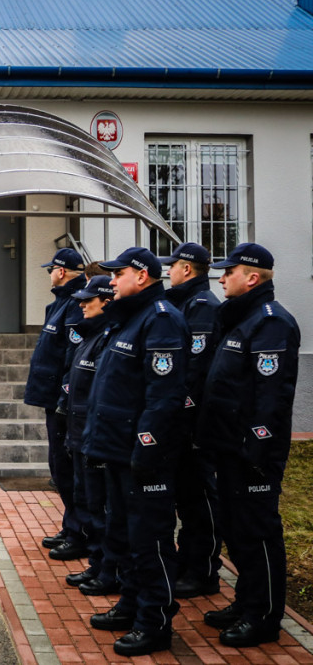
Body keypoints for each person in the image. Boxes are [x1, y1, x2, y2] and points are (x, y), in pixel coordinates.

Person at [81, 247, 189, 657]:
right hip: (116, 450)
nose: (111, 281)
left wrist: (147, 449)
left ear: (142, 276)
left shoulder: (160, 319)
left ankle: (154, 621)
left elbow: (163, 397)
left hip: (142, 457)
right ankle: (130, 603)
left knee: (150, 540)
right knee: (123, 535)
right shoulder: (128, 319)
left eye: (118, 273)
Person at [197, 243, 300, 648]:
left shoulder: (270, 323)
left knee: (257, 533)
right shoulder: (241, 319)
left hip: (252, 454)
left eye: (229, 271)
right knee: (236, 533)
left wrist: (257, 452)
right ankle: (246, 601)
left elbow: (270, 399)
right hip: (228, 448)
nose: (221, 278)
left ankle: (264, 616)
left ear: (252, 277)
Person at [159, 243, 223, 599]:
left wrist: (184, 417)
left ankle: (203, 572)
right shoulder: (182, 303)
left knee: (199, 500)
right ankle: (188, 564)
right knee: (186, 497)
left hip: (195, 423)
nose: (169, 271)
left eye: (174, 266)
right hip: (180, 423)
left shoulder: (202, 308)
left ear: (187, 269)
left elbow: (195, 371)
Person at [25, 248, 87, 560]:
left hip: (64, 403)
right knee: (58, 467)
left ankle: (79, 533)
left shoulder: (76, 305)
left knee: (67, 468)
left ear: (61, 271)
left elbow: (72, 358)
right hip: (53, 400)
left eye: (52, 269)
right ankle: (70, 525)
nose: (50, 273)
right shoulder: (59, 304)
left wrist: (64, 398)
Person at [59, 274, 119, 597]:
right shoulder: (90, 336)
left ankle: (108, 570)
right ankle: (97, 564)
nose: (82, 305)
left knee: (101, 507)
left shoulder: (107, 338)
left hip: (94, 437)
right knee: (88, 503)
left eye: (89, 300)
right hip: (80, 435)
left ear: (106, 303)